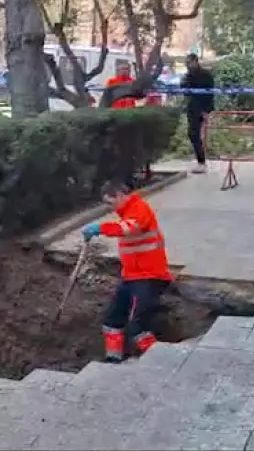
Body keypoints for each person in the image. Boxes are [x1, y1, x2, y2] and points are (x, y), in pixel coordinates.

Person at [82, 180, 173, 363]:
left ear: (121, 195)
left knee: (137, 325)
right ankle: (113, 361)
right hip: (132, 276)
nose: (110, 207)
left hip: (150, 276)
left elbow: (127, 229)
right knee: (112, 320)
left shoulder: (139, 209)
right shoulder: (127, 212)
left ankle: (157, 361)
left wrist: (100, 228)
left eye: (111, 202)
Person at [180, 53, 215, 174]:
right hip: (192, 108)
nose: (188, 65)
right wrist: (183, 83)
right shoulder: (188, 76)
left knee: (193, 133)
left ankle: (201, 162)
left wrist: (206, 111)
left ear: (195, 61)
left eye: (189, 63)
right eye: (186, 63)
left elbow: (210, 94)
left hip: (202, 108)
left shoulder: (206, 75)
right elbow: (185, 91)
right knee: (192, 134)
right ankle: (201, 161)